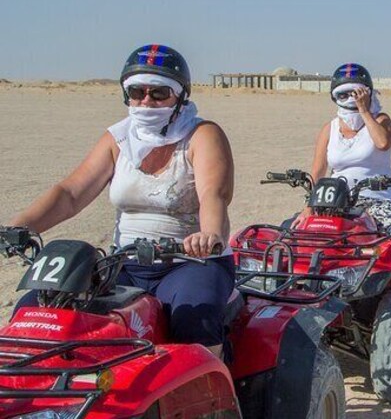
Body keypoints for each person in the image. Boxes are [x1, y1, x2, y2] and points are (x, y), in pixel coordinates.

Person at [7, 45, 235, 357]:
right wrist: (15, 228)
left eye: (159, 93)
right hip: (124, 263)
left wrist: (209, 236)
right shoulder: (118, 138)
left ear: (180, 96)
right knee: (39, 308)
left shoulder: (202, 135)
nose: (146, 101)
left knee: (194, 317)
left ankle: (216, 394)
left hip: (189, 262)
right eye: (137, 91)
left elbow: (214, 194)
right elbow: (70, 194)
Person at [293, 63, 391, 235]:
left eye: (355, 94)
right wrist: (309, 206)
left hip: (378, 199)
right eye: (343, 95)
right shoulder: (329, 129)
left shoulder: (381, 120)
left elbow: (383, 143)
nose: (350, 99)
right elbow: (318, 171)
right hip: (336, 201)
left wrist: (364, 111)